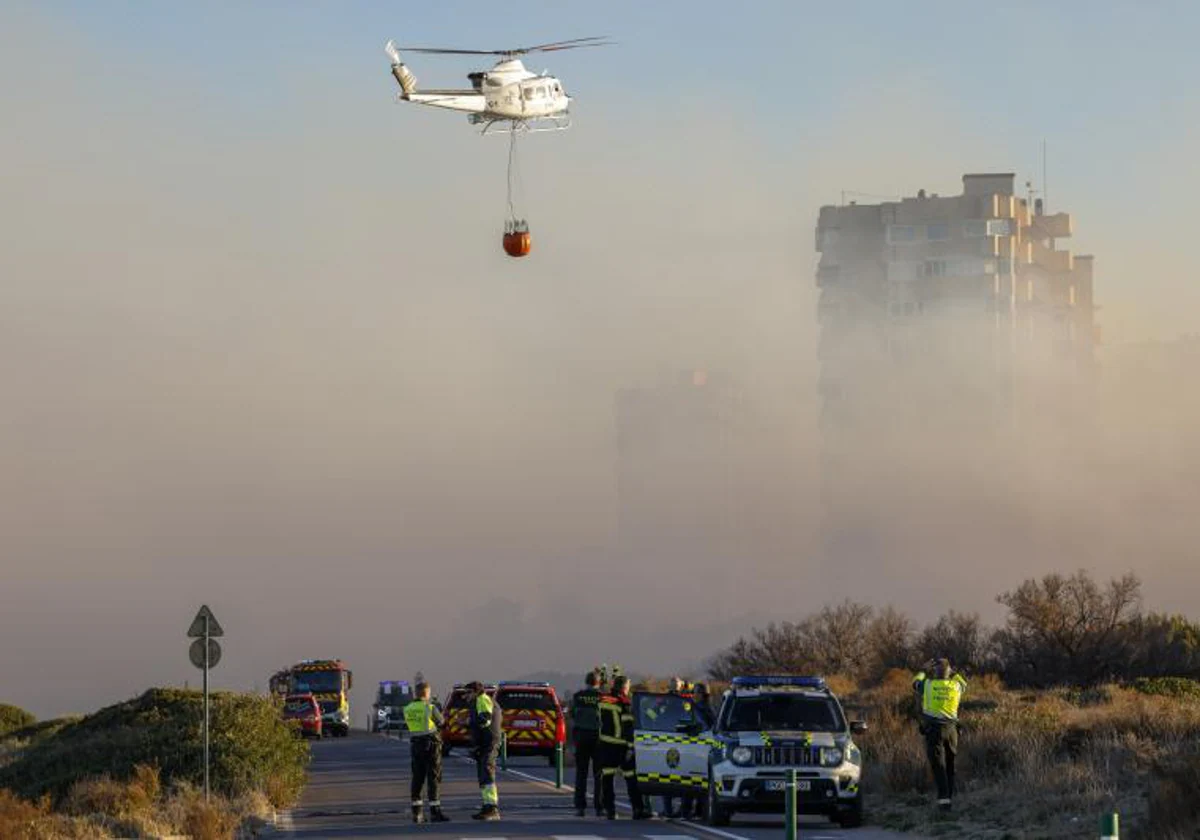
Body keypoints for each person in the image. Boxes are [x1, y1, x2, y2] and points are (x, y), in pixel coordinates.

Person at [912, 658, 968, 811]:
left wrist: (923, 671)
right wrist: (953, 672)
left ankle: (944, 802)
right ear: (948, 672)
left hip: (934, 729)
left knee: (938, 765)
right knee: (950, 764)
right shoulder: (956, 686)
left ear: (935, 672)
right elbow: (963, 683)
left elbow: (915, 684)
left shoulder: (929, 685)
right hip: (952, 730)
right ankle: (949, 797)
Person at [598, 675, 650, 820]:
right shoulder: (625, 702)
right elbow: (628, 728)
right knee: (631, 778)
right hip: (621, 746)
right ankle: (638, 809)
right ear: (623, 687)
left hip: (606, 745)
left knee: (607, 779)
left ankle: (610, 811)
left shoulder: (603, 700)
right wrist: (630, 747)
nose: (628, 688)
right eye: (628, 686)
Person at [403, 681, 449, 824]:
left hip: (415, 746)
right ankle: (435, 813)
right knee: (433, 778)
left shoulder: (408, 708)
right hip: (431, 746)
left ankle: (417, 814)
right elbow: (442, 723)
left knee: (417, 778)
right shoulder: (430, 707)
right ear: (427, 693)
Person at [466, 681, 503, 820]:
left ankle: (492, 808)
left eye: (468, 692)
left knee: (487, 773)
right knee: (483, 775)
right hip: (484, 743)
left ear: (475, 691)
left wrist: (469, 722)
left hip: (489, 742)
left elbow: (485, 720)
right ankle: (487, 806)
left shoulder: (483, 699)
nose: (466, 696)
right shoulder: (479, 700)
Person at [569, 670, 604, 817]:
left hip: (581, 737)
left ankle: (580, 807)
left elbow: (572, 714)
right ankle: (599, 807)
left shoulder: (578, 696)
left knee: (581, 773)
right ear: (599, 682)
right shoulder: (602, 697)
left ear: (586, 681)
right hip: (599, 738)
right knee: (599, 774)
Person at [661, 676, 691, 819]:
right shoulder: (684, 700)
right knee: (684, 775)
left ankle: (668, 810)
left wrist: (650, 721)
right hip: (682, 740)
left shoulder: (664, 700)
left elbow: (653, 713)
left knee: (666, 774)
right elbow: (689, 714)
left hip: (666, 739)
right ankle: (684, 810)